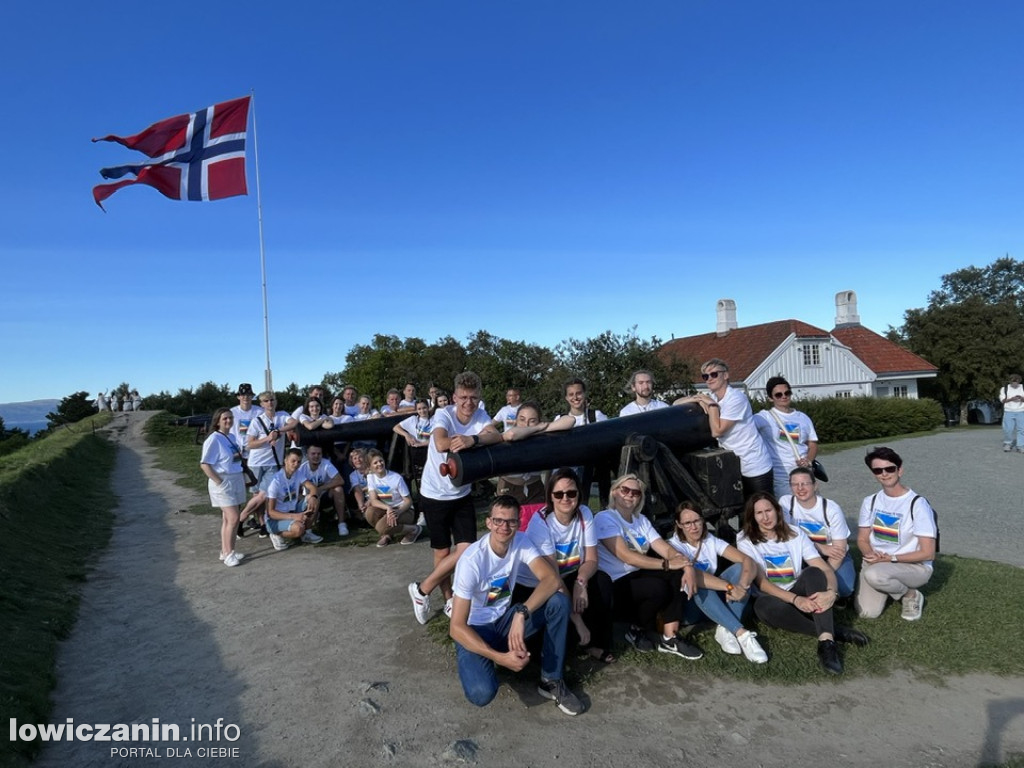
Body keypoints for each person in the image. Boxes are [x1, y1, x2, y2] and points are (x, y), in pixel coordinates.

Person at [449, 495, 584, 716]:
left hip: (505, 620)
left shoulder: (520, 541)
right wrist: (498, 657)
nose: (505, 527)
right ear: (489, 523)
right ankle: (486, 655)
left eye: (511, 521)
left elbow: (552, 580)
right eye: (499, 521)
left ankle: (551, 680)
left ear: (519, 523)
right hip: (475, 628)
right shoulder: (472, 561)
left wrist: (521, 613)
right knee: (481, 694)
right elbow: (456, 627)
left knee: (558, 601)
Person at [737, 493, 868, 675]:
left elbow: (825, 568)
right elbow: (762, 583)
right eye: (759, 513)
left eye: (769, 510)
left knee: (814, 572)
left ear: (777, 511)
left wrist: (832, 592)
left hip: (800, 590)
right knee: (763, 606)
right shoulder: (745, 539)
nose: (765, 517)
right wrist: (796, 600)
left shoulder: (795, 533)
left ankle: (826, 643)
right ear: (752, 516)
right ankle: (836, 631)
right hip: (774, 598)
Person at [408, 371, 502, 624]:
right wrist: (457, 440)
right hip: (434, 494)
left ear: (478, 398)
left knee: (468, 549)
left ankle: (422, 589)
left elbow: (496, 435)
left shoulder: (480, 415)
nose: (468, 403)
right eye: (463, 397)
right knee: (442, 551)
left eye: (473, 398)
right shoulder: (444, 414)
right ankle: (449, 599)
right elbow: (439, 443)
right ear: (454, 397)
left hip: (461, 492)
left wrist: (473, 439)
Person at [592, 474, 702, 660]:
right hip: (615, 582)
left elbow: (664, 548)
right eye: (624, 490)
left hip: (636, 575)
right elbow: (625, 556)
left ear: (640, 498)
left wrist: (686, 566)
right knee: (657, 587)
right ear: (614, 492)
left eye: (635, 492)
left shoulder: (640, 520)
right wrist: (667, 563)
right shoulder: (605, 518)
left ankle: (670, 637)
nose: (629, 495)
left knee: (676, 574)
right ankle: (637, 628)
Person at [517, 469, 608, 662]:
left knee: (602, 581)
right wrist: (578, 620)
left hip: (569, 575)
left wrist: (581, 582)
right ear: (550, 497)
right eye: (558, 494)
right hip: (536, 584)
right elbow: (553, 579)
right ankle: (575, 637)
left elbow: (592, 559)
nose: (565, 498)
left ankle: (593, 643)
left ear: (579, 494)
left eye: (571, 493)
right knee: (560, 609)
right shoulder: (541, 523)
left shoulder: (584, 514)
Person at [666, 502, 767, 663]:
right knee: (698, 582)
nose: (694, 527)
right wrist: (729, 587)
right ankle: (742, 633)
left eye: (697, 521)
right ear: (679, 525)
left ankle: (725, 628)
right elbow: (696, 576)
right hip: (689, 604)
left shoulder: (709, 540)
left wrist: (741, 586)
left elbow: (747, 560)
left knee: (742, 568)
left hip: (714, 598)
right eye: (687, 523)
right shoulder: (673, 546)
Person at [856, 447, 937, 621]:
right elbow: (862, 539)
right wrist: (870, 554)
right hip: (876, 561)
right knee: (867, 613)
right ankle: (887, 585)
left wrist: (889, 559)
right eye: (878, 470)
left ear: (900, 470)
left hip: (914, 566)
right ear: (874, 474)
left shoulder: (917, 504)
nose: (884, 474)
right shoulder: (870, 501)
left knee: (875, 575)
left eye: (889, 468)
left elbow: (928, 553)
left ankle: (910, 595)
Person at [674, 358, 774, 497]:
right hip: (734, 464)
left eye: (714, 374)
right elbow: (676, 403)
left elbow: (717, 431)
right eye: (705, 376)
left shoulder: (736, 398)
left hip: (754, 464)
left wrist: (712, 406)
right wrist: (696, 399)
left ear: (725, 375)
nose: (709, 379)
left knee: (763, 507)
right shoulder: (713, 397)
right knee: (743, 513)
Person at [777, 467, 855, 599]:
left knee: (844, 588)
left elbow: (839, 551)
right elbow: (784, 536)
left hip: (832, 557)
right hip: (803, 555)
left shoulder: (831, 508)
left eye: (805, 483)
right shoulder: (785, 503)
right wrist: (819, 547)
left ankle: (836, 597)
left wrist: (825, 575)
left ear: (815, 485)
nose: (800, 488)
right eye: (795, 484)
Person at [496, 402, 575, 518]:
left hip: (535, 489)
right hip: (510, 488)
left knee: (539, 526)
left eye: (532, 420)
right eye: (522, 419)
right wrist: (536, 428)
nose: (526, 424)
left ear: (539, 421)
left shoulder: (540, 438)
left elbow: (570, 420)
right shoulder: (508, 436)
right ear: (516, 420)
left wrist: (542, 429)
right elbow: (513, 434)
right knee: (510, 526)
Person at [199, 408, 247, 567]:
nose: (228, 421)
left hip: (235, 479)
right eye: (225, 418)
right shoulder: (214, 439)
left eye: (230, 418)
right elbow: (205, 464)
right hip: (223, 481)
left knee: (228, 519)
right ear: (218, 421)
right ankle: (228, 554)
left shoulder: (231, 437)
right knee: (234, 517)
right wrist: (219, 481)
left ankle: (227, 550)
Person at [754, 376, 819, 493]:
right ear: (770, 398)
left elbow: (812, 444)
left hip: (804, 474)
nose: (784, 396)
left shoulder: (803, 417)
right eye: (778, 395)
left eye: (787, 393)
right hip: (781, 477)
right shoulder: (763, 417)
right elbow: (743, 427)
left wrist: (808, 460)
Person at [558, 377, 610, 508]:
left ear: (584, 394)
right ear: (566, 398)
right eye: (571, 394)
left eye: (579, 393)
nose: (575, 397)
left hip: (595, 466)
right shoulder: (560, 419)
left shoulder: (596, 416)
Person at [265, 448, 321, 551]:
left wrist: (313, 497)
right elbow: (270, 513)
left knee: (314, 500)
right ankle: (276, 534)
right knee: (299, 528)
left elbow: (312, 487)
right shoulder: (276, 481)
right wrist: (295, 516)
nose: (296, 464)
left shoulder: (297, 474)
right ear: (285, 460)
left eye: (299, 461)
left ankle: (307, 533)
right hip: (276, 518)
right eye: (293, 461)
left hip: (292, 509)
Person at [364, 449, 421, 547]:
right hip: (388, 509)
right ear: (370, 467)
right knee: (369, 513)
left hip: (404, 510)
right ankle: (387, 534)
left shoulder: (396, 478)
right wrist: (388, 508)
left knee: (381, 527)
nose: (379, 464)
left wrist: (398, 512)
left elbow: (408, 501)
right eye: (375, 463)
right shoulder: (371, 477)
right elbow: (373, 500)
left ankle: (414, 529)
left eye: (381, 461)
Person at [297, 444, 348, 537]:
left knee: (338, 489)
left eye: (319, 454)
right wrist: (306, 498)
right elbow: (297, 490)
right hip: (310, 499)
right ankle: (309, 529)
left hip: (325, 495)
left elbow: (340, 480)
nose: (316, 456)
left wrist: (321, 488)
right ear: (307, 455)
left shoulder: (326, 464)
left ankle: (341, 524)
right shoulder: (302, 469)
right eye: (313, 454)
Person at [999, 374, 1024, 452]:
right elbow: (1002, 400)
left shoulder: (1022, 388)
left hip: (1021, 411)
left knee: (1021, 429)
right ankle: (1007, 443)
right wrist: (1011, 399)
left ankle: (1020, 445)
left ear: (1019, 381)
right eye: (1013, 382)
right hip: (1008, 411)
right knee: (1008, 429)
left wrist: (1021, 398)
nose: (1015, 383)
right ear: (1010, 381)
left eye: (1016, 382)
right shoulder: (1005, 389)